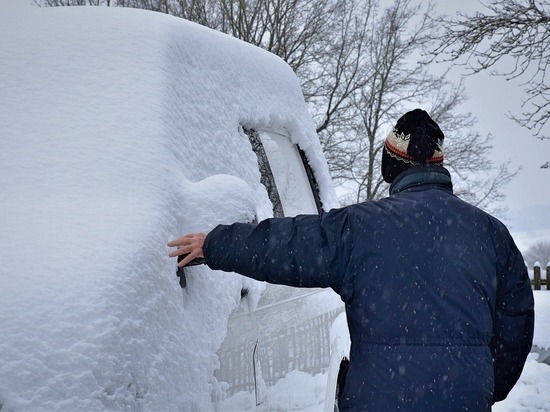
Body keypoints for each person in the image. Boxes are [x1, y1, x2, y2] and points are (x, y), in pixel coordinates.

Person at [168, 109, 534, 411]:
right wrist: (480, 384)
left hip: (379, 399)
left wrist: (215, 244)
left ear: (391, 166)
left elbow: (287, 245)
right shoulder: (492, 234)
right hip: (464, 399)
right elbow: (515, 328)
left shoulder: (360, 228)